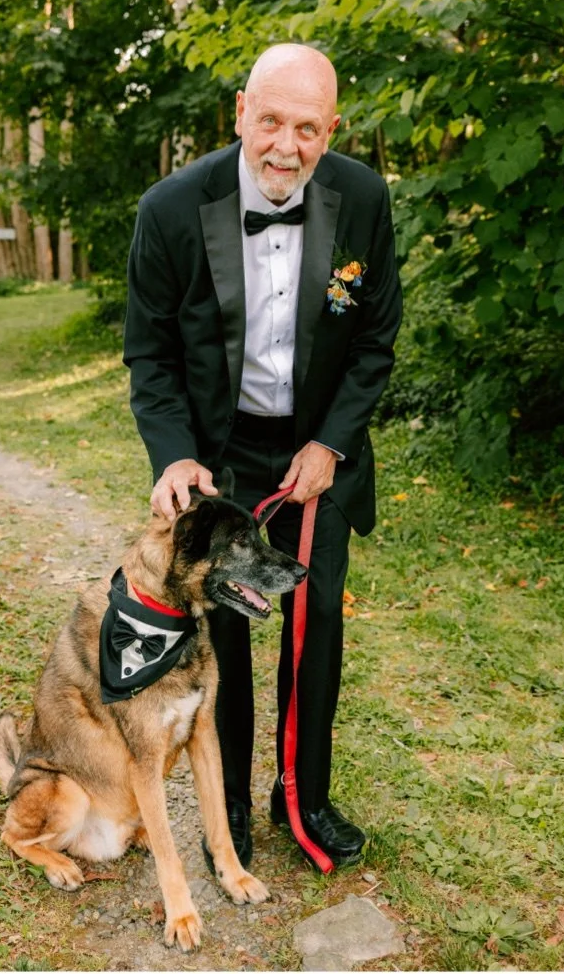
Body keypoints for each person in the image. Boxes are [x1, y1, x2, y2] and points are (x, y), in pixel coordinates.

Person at [124, 44, 401, 870]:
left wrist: (331, 443)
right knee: (227, 631)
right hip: (220, 450)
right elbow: (151, 355)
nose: (286, 145)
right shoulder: (172, 208)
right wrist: (175, 457)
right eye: (271, 120)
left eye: (307, 128)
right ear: (241, 111)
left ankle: (303, 798)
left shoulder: (363, 197)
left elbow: (375, 339)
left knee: (317, 625)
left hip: (318, 448)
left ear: (332, 131)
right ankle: (232, 807)